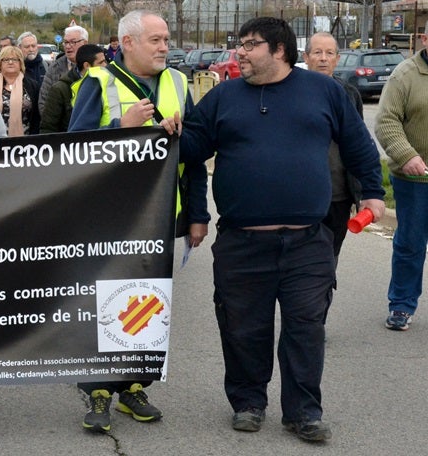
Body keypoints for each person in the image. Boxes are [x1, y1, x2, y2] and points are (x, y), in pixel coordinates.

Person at [180, 17, 385, 442]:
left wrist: (373, 193)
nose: (240, 52)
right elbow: (192, 150)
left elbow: (358, 145)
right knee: (241, 326)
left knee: (306, 327)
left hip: (308, 239)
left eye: (251, 45)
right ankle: (248, 402)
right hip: (242, 241)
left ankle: (303, 411)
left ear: (279, 49)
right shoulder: (222, 97)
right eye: (240, 44)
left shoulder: (324, 92)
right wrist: (169, 130)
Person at [68, 11, 207, 433]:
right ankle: (96, 387)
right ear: (127, 42)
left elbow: (196, 155)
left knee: (147, 303)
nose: (165, 46)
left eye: (166, 39)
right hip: (108, 217)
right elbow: (74, 149)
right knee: (102, 303)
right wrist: (120, 128)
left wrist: (198, 215)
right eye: (155, 40)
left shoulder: (179, 84)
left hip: (160, 215)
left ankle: (133, 384)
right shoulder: (97, 82)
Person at [377, 23, 428, 331]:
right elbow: (386, 120)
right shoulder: (405, 75)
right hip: (415, 181)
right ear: (424, 39)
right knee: (410, 244)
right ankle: (401, 305)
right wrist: (406, 155)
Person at [303, 32, 364, 273]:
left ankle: (321, 300)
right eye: (317, 52)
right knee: (304, 263)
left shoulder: (349, 95)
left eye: (330, 53)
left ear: (338, 59)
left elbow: (359, 147)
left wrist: (361, 192)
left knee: (329, 261)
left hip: (338, 195)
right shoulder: (290, 92)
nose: (323, 59)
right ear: (306, 57)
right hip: (302, 195)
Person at [40, 44, 104, 133]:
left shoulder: (105, 84)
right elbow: (48, 128)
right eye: (101, 63)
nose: (106, 65)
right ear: (87, 66)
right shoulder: (60, 89)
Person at [0, 45, 40, 136]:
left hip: (26, 141)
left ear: (21, 63)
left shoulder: (32, 86)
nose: (10, 62)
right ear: (0, 63)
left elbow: (37, 116)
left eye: (15, 59)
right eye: (6, 60)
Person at [39, 25, 88, 112]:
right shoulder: (54, 68)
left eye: (73, 42)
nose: (68, 46)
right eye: (66, 42)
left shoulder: (96, 66)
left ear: (85, 43)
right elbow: (43, 102)